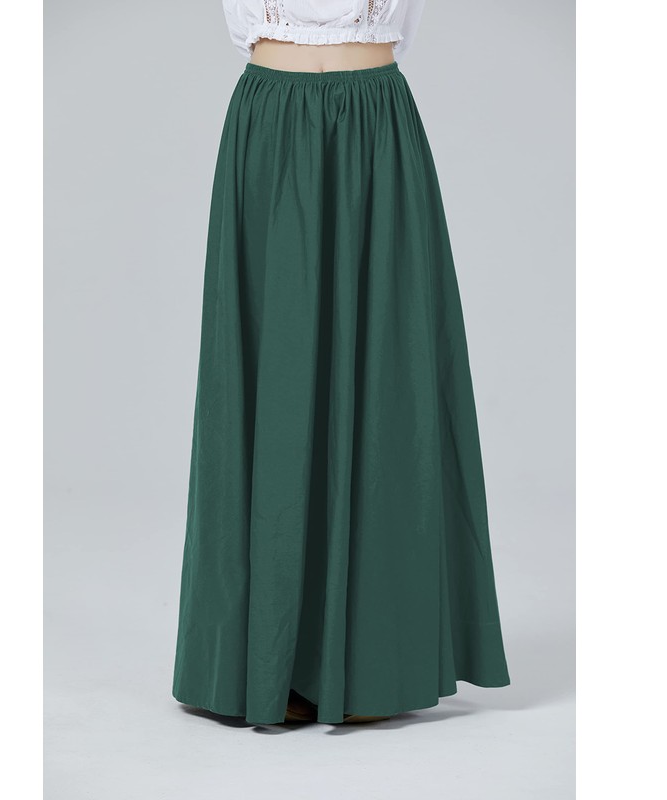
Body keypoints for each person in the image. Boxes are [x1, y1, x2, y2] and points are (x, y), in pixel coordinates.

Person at [172, 0, 510, 726]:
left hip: (374, 121)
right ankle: (269, 659)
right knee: (275, 378)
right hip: (272, 123)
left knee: (386, 376)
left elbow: (402, 28)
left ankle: (367, 660)